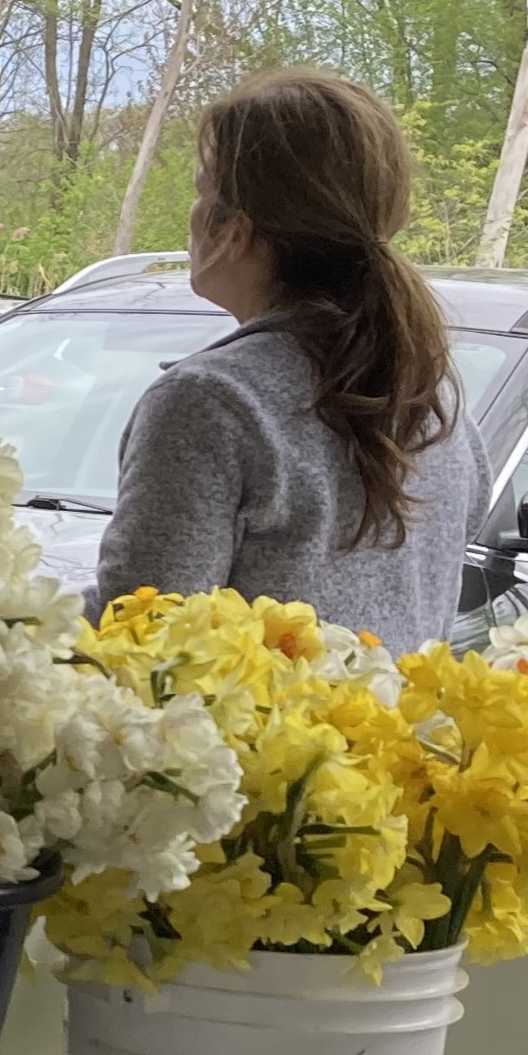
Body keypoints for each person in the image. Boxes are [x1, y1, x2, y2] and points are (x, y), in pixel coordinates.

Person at [97, 69, 487, 652]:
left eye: (202, 192)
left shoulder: (212, 403)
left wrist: (2, 615)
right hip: (391, 742)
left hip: (245, 744)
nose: (194, 215)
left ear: (235, 229)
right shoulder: (432, 397)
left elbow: (140, 640)